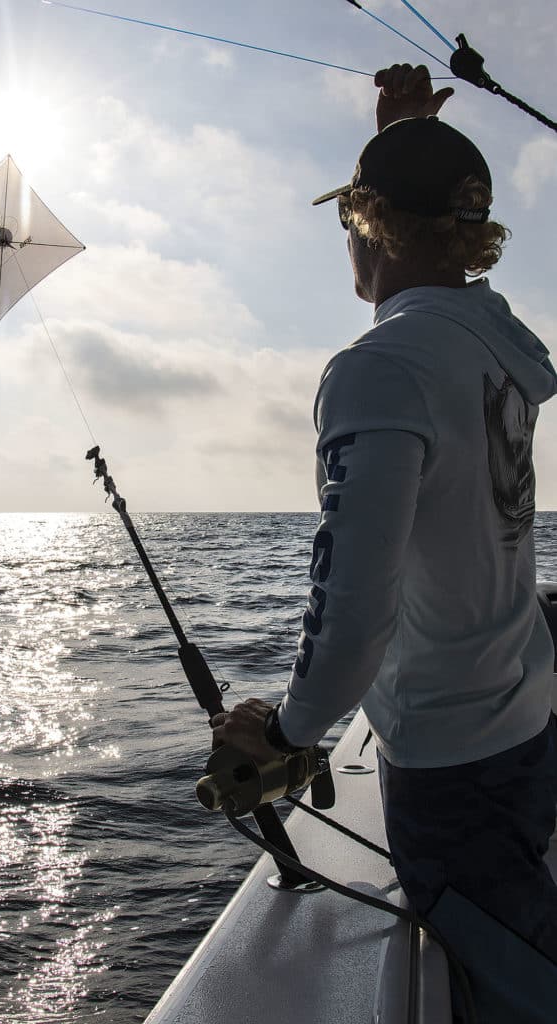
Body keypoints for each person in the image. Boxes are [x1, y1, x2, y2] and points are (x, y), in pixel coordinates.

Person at [211, 64, 557, 1020]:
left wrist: (287, 732)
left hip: (450, 764)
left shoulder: (379, 369)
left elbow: (354, 602)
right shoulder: (497, 348)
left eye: (350, 218)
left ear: (368, 222)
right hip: (528, 720)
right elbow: (445, 273)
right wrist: (408, 141)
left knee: (514, 977)